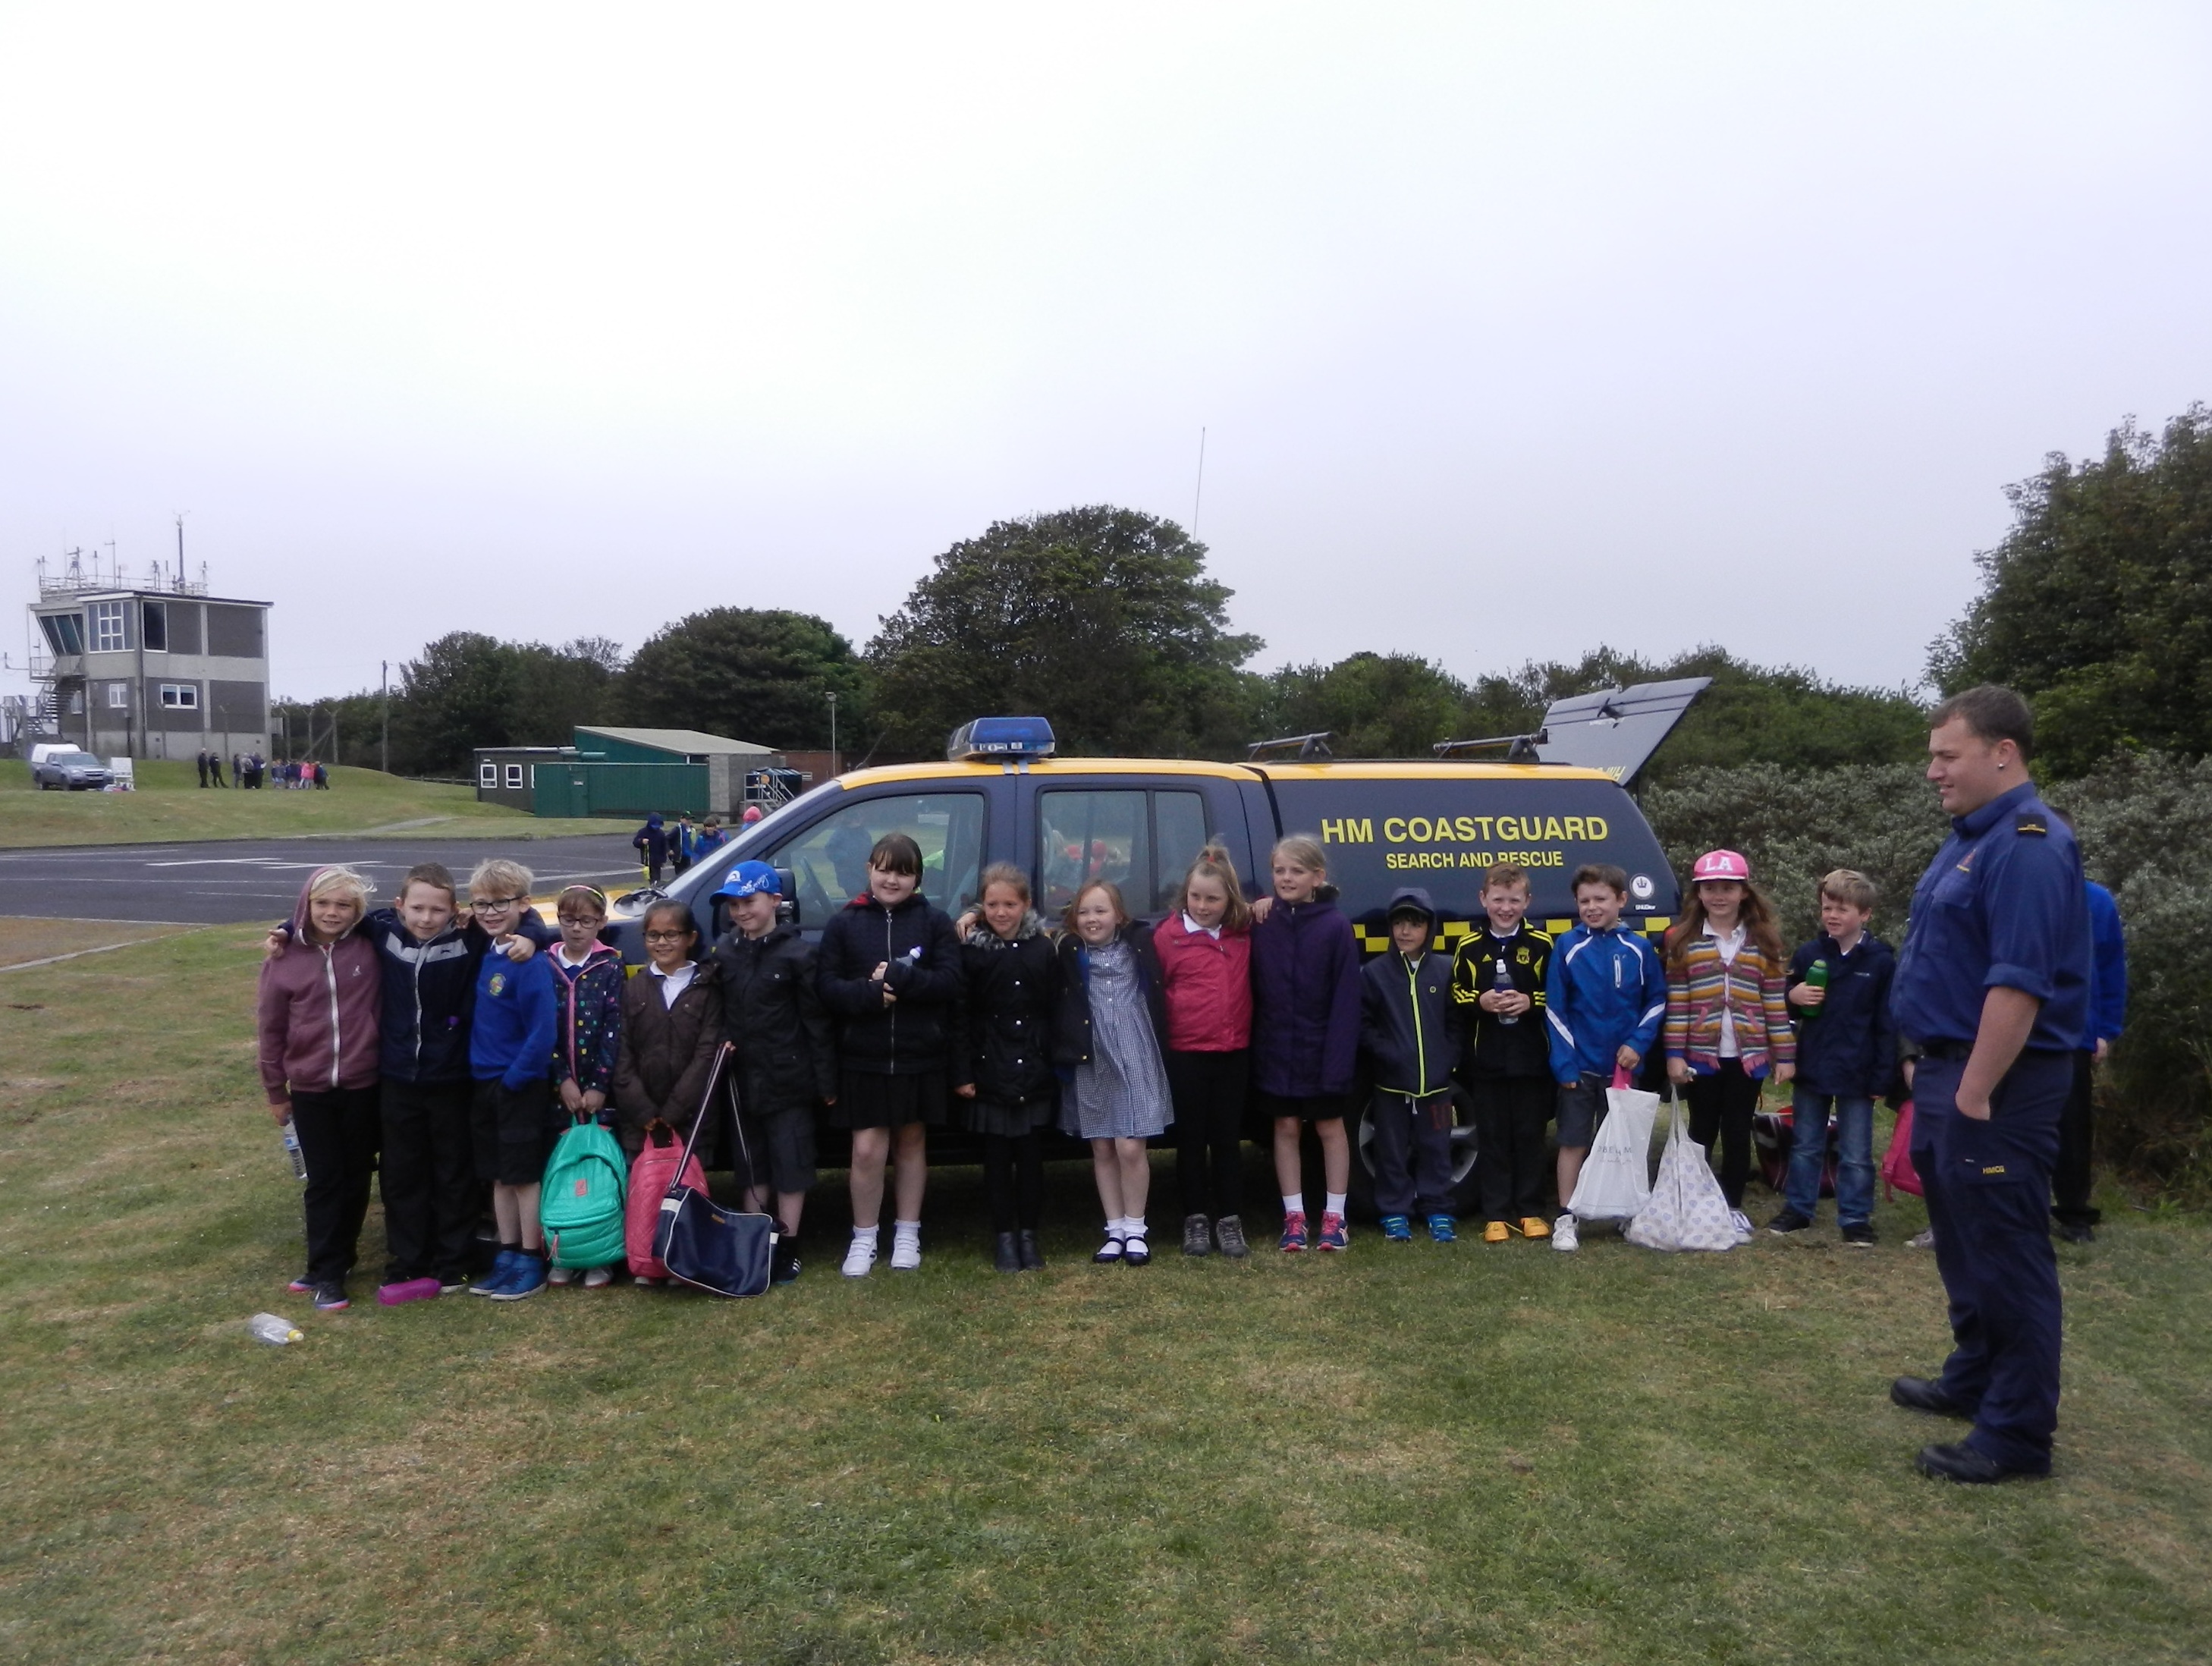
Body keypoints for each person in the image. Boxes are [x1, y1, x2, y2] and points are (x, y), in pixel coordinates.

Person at [1890, 684, 2089, 1485]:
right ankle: (1975, 1376)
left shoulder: (2030, 844)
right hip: (1950, 1069)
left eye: (1948, 755)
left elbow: (2018, 985)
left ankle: (2015, 1434)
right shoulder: (1971, 836)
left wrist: (1973, 1092)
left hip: (1997, 1083)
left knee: (2008, 1256)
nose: (1933, 771)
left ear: (2002, 753)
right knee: (1967, 1248)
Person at [815, 831, 964, 1276]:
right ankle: (864, 1237)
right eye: (884, 869)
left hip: (920, 1054)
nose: (892, 879)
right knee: (866, 1150)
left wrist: (902, 978)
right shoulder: (844, 923)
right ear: (869, 871)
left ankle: (907, 1232)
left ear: (917, 876)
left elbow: (950, 983)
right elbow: (826, 987)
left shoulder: (935, 922)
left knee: (912, 1143)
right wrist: (868, 995)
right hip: (864, 1057)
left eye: (903, 871)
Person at [256, 866, 381, 1310]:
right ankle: (326, 1271)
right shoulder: (284, 957)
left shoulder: (370, 946)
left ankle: (340, 1257)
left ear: (356, 912)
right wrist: (275, 1090)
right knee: (324, 1179)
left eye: (343, 904)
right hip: (310, 1089)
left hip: (364, 1083)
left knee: (356, 1175)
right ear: (306, 905)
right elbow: (271, 1030)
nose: (332, 912)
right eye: (323, 903)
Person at [710, 861, 836, 1285]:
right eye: (733, 904)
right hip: (742, 1078)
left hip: (790, 1077)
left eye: (749, 901)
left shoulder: (797, 953)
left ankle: (789, 1245)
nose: (741, 911)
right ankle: (755, 1240)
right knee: (751, 1163)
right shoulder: (725, 952)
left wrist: (826, 1080)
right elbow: (718, 1010)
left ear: (775, 901)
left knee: (791, 1162)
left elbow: (816, 1021)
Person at [1661, 850, 1796, 1240]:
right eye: (1710, 888)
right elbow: (1678, 1003)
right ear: (1699, 893)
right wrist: (1674, 1055)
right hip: (1700, 1056)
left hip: (1747, 1055)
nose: (1719, 896)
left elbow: (1774, 999)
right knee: (1701, 1129)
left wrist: (1784, 1054)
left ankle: (1732, 1205)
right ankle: (1700, 1201)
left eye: (1727, 888)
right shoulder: (1683, 939)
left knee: (1737, 1130)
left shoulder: (1763, 941)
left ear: (1743, 892)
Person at [1770, 869, 1896, 1244]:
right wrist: (1792, 997)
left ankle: (1855, 1217)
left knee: (1856, 1152)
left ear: (1866, 914)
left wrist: (1882, 1076)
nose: (1832, 916)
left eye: (1842, 909)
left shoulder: (1881, 961)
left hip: (1859, 1069)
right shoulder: (1810, 953)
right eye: (1827, 908)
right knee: (1807, 1144)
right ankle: (1798, 1208)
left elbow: (1887, 1023)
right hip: (1812, 1065)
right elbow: (1782, 1001)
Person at [1250, 835, 1363, 1253]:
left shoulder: (1335, 926)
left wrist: (1338, 1060)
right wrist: (1254, 906)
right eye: (1279, 870)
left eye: (1296, 871)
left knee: (1330, 1127)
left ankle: (1335, 1216)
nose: (1286, 878)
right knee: (1285, 1128)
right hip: (1277, 1049)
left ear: (1318, 876)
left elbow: (1347, 1000)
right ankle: (1294, 1217)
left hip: (1323, 1049)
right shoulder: (1263, 920)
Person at [1544, 863, 1664, 1253]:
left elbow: (1656, 1001)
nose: (1592, 907)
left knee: (1624, 1144)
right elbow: (1555, 1010)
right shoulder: (1567, 945)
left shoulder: (1639, 948)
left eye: (1601, 899)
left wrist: (1637, 1044)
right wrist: (1565, 1063)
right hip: (1580, 1067)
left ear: (1622, 900)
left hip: (1624, 1068)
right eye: (1584, 901)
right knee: (1574, 1141)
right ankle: (1567, 1215)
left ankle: (1628, 1211)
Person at [1052, 879, 1174, 1265]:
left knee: (1130, 1145)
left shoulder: (1138, 944)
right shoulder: (1068, 950)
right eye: (1084, 912)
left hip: (1134, 1051)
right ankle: (1115, 1229)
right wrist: (971, 913)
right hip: (1093, 1055)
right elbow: (1024, 927)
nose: (1092, 919)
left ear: (1119, 916)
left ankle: (1137, 1229)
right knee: (1102, 1145)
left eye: (1101, 911)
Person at [611, 899, 727, 1284]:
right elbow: (622, 1053)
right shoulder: (635, 988)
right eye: (653, 935)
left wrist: (675, 1110)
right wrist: (644, 1111)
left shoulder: (707, 989)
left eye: (671, 934)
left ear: (691, 938)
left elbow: (707, 1054)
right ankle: (646, 1259)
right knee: (646, 1192)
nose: (662, 942)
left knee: (688, 1190)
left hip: (690, 1117)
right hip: (642, 1120)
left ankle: (684, 1258)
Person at [953, 864, 1059, 1272]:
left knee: (1031, 1157)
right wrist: (963, 1073)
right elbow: (960, 1015)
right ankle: (1004, 1238)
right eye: (993, 905)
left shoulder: (1043, 949)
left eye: (1010, 904)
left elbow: (1053, 1007)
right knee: (997, 1158)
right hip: (989, 1068)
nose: (1001, 913)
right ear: (982, 907)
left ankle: (1029, 1236)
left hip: (1033, 1067)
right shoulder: (972, 951)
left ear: (1026, 905)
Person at [463, 860, 561, 1302]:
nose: (489, 912)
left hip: (517, 1086)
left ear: (523, 904)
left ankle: (531, 1258)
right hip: (483, 1083)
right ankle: (506, 1255)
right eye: (481, 903)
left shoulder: (529, 961)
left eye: (499, 903)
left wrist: (515, 1080)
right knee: (498, 1177)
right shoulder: (488, 950)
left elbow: (543, 1034)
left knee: (523, 1176)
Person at [1154, 844, 1255, 1259]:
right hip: (1187, 1053)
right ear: (1185, 895)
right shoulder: (1167, 937)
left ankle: (1230, 1220)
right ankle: (1195, 1219)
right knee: (1191, 1141)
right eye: (1196, 897)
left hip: (1233, 1053)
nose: (1203, 905)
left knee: (1228, 1141)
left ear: (1230, 899)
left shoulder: (1244, 934)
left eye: (1213, 898)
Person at [1452, 862, 1556, 1243]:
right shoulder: (1468, 946)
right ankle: (1495, 1213)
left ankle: (1530, 1209)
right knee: (1493, 1137)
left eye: (1514, 900)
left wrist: (1531, 1001)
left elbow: (1558, 996)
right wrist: (1480, 1001)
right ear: (1484, 899)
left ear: (1527, 901)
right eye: (1498, 900)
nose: (1506, 907)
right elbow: (1457, 994)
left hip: (1531, 1059)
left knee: (1529, 1135)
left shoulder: (1542, 945)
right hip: (1486, 1059)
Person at [1359, 888, 1463, 1243]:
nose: (1405, 931)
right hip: (1391, 1086)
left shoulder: (1445, 970)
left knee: (1436, 1148)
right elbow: (1364, 1024)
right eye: (1399, 923)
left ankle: (1437, 1208)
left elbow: (1455, 1022)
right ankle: (1394, 1210)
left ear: (1429, 929)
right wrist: (1388, 1054)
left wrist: (1448, 1058)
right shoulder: (1375, 974)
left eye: (1415, 924)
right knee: (1390, 1150)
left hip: (1436, 1086)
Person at [2050, 813, 2127, 1243]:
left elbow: (2112, 968)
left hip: (2075, 1033)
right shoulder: (2015, 893)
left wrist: (2106, 1029)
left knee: (2072, 1129)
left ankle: (2074, 1213)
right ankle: (2015, 1209)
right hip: (2016, 1032)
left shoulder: (2098, 901)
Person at [544, 885, 626, 1288]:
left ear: (602, 924)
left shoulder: (609, 967)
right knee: (561, 1167)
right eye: (569, 919)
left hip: (598, 1091)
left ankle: (601, 1249)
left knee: (598, 1168)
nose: (577, 929)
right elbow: (542, 1029)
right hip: (558, 1091)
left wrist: (598, 1084)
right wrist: (562, 1079)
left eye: (587, 921)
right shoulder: (545, 965)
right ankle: (563, 1245)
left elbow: (615, 1027)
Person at [633, 813, 671, 886]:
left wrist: (663, 860)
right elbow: (635, 843)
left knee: (657, 878)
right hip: (647, 860)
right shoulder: (643, 832)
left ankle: (656, 887)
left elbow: (664, 846)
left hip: (658, 860)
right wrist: (641, 841)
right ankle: (652, 886)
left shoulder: (661, 834)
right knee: (651, 878)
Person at [669, 813, 697, 879]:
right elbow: (667, 839)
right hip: (680, 857)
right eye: (687, 819)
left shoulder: (692, 830)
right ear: (681, 819)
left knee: (687, 875)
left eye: (691, 819)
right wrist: (669, 850)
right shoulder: (677, 829)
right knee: (679, 876)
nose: (689, 821)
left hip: (688, 856)